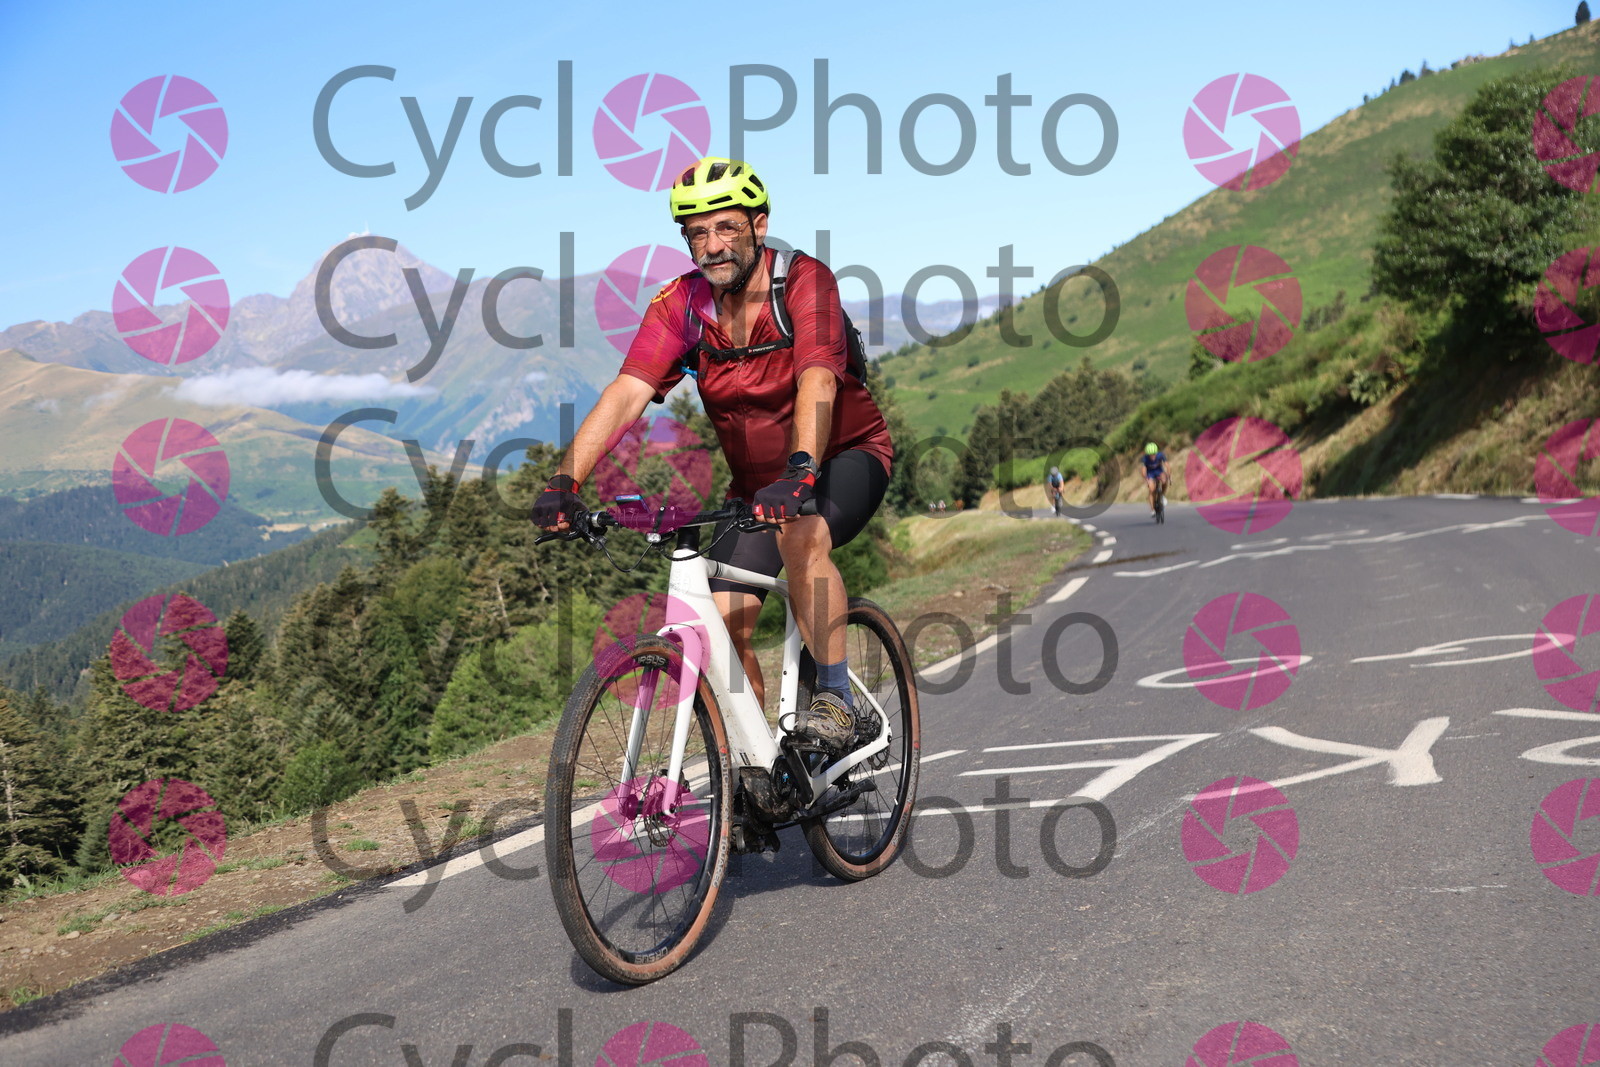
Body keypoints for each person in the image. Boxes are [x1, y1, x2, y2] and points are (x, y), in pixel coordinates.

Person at [531, 157, 893, 756]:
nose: (713, 245)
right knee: (720, 627)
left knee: (802, 538)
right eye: (697, 233)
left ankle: (836, 699)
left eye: (727, 227)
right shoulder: (680, 305)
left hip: (842, 457)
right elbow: (627, 393)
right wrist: (563, 480)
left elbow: (818, 379)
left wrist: (802, 470)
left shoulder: (805, 283)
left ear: (759, 224)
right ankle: (758, 767)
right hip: (756, 489)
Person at [1141, 442, 1169, 514]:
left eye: (1154, 454)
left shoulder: (1161, 455)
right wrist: (1146, 479)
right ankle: (1152, 509)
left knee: (1164, 480)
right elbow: (1143, 470)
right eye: (1150, 454)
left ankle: (1162, 496)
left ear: (1156, 453)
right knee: (1152, 489)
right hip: (1150, 473)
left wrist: (1168, 475)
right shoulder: (1145, 458)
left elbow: (1167, 466)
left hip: (1159, 471)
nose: (1152, 456)